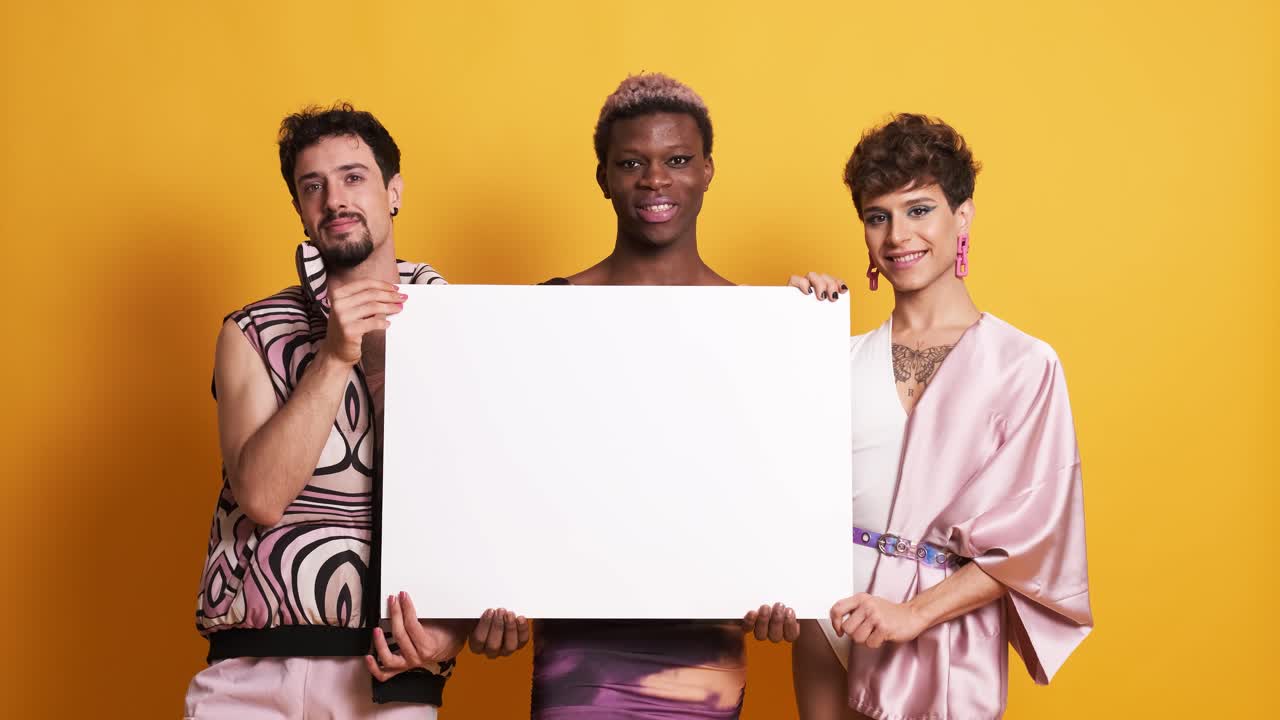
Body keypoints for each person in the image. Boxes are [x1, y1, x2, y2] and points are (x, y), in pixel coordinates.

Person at [477, 73, 826, 719]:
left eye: (678, 160)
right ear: (603, 176)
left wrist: (787, 584)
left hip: (702, 649)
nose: (655, 180)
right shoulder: (545, 312)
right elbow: (511, 470)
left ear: (708, 170)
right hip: (579, 643)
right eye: (632, 162)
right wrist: (486, 586)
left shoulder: (764, 323)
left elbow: (771, 481)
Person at [789, 114, 1094, 719]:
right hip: (830, 617)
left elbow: (1038, 541)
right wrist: (789, 331)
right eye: (879, 217)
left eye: (919, 209)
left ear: (963, 216)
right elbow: (773, 481)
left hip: (942, 627)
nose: (899, 235)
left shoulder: (1023, 365)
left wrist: (912, 614)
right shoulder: (835, 358)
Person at [184, 104, 473, 718]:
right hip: (250, 671)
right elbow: (260, 496)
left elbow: (484, 503)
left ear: (392, 192)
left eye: (353, 177)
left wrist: (457, 630)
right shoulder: (254, 332)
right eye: (312, 186)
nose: (334, 199)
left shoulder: (461, 329)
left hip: (389, 676)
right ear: (299, 209)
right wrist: (335, 355)